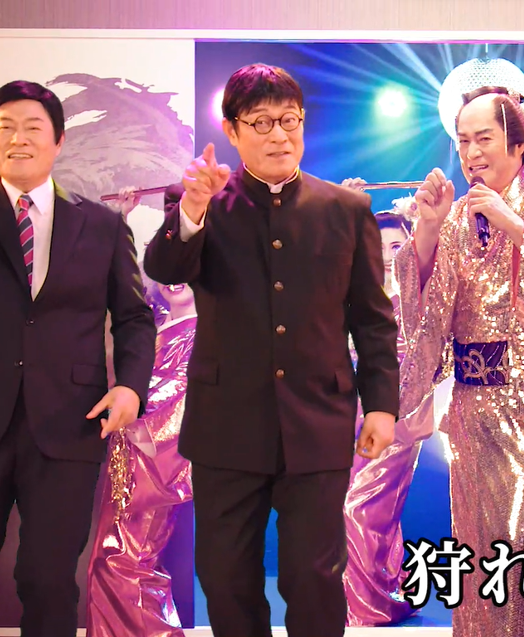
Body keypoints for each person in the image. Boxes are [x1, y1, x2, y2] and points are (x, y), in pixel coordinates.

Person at [142, 63, 399, 637]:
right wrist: (193, 210)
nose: (279, 134)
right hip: (225, 424)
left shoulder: (346, 209)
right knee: (225, 575)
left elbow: (373, 319)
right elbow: (164, 268)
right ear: (232, 132)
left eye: (290, 120)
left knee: (313, 578)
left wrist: (382, 406)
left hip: (319, 420)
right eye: (261, 122)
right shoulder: (201, 202)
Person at [0, 80, 156, 637]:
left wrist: (130, 386)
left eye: (32, 128)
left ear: (58, 141)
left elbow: (134, 316)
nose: (18, 139)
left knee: (48, 581)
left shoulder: (102, 224)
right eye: (5, 128)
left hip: (68, 421)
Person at [396, 85, 524, 636]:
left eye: (484, 138)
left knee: (516, 539)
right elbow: (426, 312)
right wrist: (428, 230)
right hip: (471, 404)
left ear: (518, 143)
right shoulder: (457, 216)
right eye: (463, 140)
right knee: (477, 546)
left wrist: (515, 225)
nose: (471, 153)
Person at [86, 183, 195, 637]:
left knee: (124, 557)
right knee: (115, 555)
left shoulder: (202, 333)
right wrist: (125, 221)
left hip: (155, 464)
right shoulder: (160, 324)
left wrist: (132, 415)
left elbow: (179, 402)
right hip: (130, 460)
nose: (174, 279)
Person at [338, 197, 440, 626]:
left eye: (396, 246)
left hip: (399, 412)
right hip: (350, 412)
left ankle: (367, 606)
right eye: (376, 246)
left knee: (359, 507)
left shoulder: (418, 293)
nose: (385, 255)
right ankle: (382, 588)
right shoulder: (352, 294)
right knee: (369, 509)